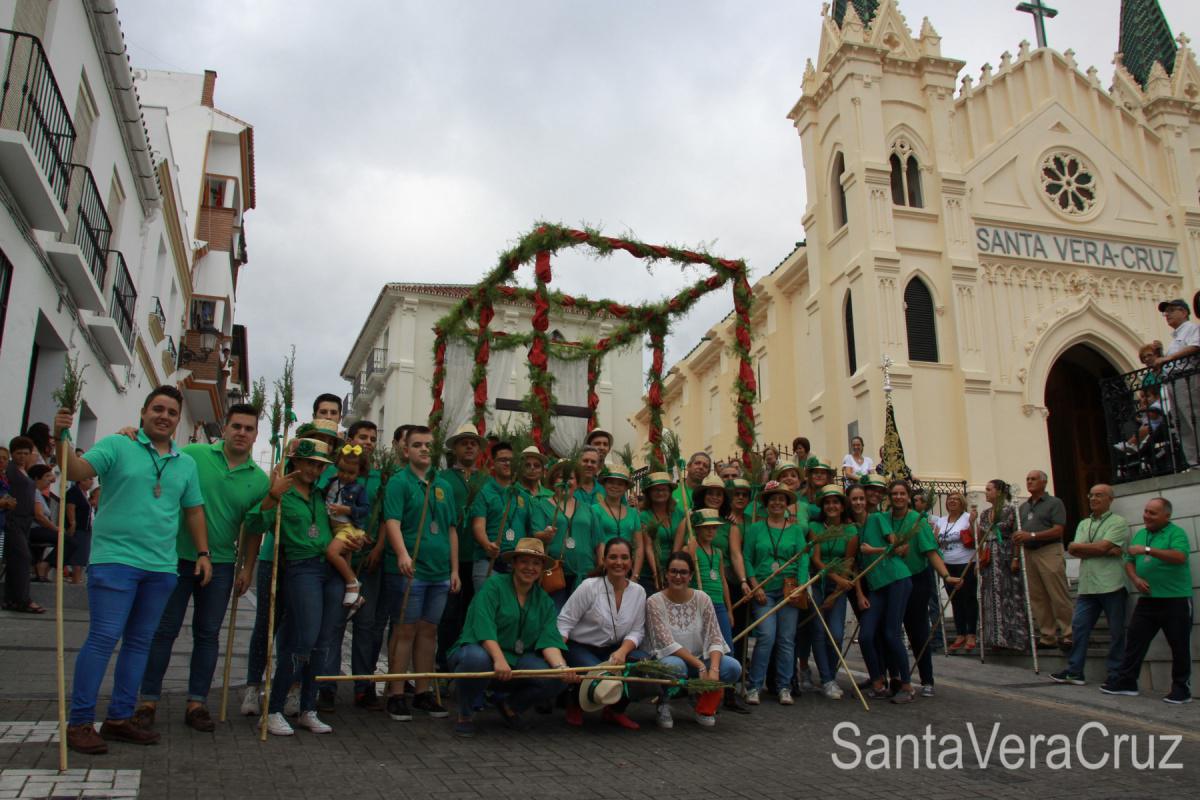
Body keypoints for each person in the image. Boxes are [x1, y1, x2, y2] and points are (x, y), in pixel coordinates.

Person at [53, 387, 211, 755]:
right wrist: (62, 434)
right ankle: (79, 722)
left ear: (177, 420)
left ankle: (120, 717)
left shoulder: (184, 462)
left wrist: (203, 552)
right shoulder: (116, 445)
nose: (164, 416)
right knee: (104, 638)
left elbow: (193, 510)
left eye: (172, 412)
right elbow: (77, 470)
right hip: (114, 561)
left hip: (160, 566)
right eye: (158, 408)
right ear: (143, 413)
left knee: (140, 643)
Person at [129, 404, 270, 732]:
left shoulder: (259, 480)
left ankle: (197, 703)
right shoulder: (192, 454)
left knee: (208, 635)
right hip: (175, 557)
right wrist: (132, 435)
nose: (241, 433)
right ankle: (147, 700)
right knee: (165, 630)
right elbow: (158, 455)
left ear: (255, 435)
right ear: (225, 428)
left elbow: (253, 530)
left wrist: (247, 568)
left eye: (249, 429)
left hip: (221, 563)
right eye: (236, 426)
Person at [246, 436, 343, 736]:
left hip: (330, 569)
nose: (315, 470)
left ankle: (307, 708)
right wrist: (272, 496)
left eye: (319, 465)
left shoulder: (319, 495)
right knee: (302, 640)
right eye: (310, 464)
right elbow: (253, 525)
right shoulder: (281, 491)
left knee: (322, 644)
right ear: (296, 462)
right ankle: (272, 709)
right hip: (301, 568)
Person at [449, 537, 580, 737]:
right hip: (482, 652)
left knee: (556, 679)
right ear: (514, 563)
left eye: (536, 563)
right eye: (524, 561)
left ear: (542, 569)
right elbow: (483, 626)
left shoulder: (543, 600)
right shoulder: (493, 586)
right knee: (475, 659)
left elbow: (550, 641)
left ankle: (510, 706)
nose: (530, 568)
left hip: (517, 660)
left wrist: (561, 669)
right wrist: (498, 659)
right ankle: (465, 714)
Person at [382, 425, 459, 722]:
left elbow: (451, 527)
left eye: (429, 444)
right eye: (418, 445)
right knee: (405, 631)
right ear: (406, 450)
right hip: (412, 570)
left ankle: (423, 691)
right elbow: (392, 521)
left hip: (440, 572)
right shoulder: (399, 483)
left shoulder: (443, 485)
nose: (424, 449)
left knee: (429, 631)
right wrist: (402, 553)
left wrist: (455, 569)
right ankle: (396, 692)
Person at [1103, 498, 1193, 704]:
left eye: (1152, 513)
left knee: (1179, 645)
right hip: (1148, 600)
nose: (1146, 516)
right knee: (1135, 640)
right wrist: (1135, 579)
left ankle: (1181, 689)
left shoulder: (1175, 533)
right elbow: (1128, 560)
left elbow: (1180, 557)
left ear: (1166, 516)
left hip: (1175, 599)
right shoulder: (1141, 534)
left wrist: (1147, 550)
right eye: (1145, 511)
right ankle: (1127, 682)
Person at [557, 537, 648, 729]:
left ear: (631, 562)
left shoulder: (639, 592)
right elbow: (564, 622)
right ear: (604, 561)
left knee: (643, 665)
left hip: (615, 649)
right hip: (581, 647)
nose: (619, 562)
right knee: (599, 675)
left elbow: (637, 631)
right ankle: (574, 701)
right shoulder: (589, 586)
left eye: (624, 557)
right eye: (613, 557)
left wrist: (622, 651)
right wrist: (559, 661)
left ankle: (615, 710)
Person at [644, 551, 742, 729]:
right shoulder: (654, 602)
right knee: (675, 666)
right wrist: (700, 666)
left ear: (691, 576)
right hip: (670, 660)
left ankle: (704, 707)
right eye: (673, 571)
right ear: (666, 574)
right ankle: (664, 703)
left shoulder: (703, 599)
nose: (678, 576)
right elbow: (667, 644)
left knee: (732, 667)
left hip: (700, 659)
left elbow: (715, 637)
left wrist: (713, 669)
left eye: (683, 572)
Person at [1051, 484, 1129, 687]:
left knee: (1116, 632)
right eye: (1091, 495)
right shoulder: (1084, 523)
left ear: (1110, 499)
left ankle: (1116, 673)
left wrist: (1089, 548)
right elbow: (1074, 548)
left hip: (1111, 583)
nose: (1093, 499)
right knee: (1079, 627)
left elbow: (1098, 547)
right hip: (1087, 585)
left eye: (1099, 495)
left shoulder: (1118, 522)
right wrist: (1100, 549)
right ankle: (1075, 670)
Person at [741, 482, 809, 705]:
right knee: (767, 636)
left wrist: (800, 586)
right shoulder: (755, 529)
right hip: (764, 591)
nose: (777, 503)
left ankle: (784, 686)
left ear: (787, 503)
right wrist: (754, 585)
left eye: (782, 499)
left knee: (786, 640)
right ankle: (754, 686)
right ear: (766, 504)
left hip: (789, 591)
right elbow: (747, 558)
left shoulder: (796, 530)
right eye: (773, 499)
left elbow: (803, 558)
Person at [892, 481, 959, 699]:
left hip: (916, 579)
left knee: (918, 630)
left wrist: (946, 576)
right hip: (893, 581)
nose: (899, 497)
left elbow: (931, 552)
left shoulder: (917, 522)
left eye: (902, 493)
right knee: (892, 632)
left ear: (908, 496)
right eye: (894, 494)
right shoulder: (885, 520)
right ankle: (896, 677)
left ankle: (927, 679)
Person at [857, 479, 917, 703]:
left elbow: (899, 547)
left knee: (891, 633)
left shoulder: (878, 518)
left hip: (896, 579)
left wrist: (874, 550)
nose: (858, 503)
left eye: (861, 499)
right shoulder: (855, 528)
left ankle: (907, 686)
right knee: (866, 635)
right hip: (877, 586)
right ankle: (878, 682)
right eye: (854, 500)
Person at [435, 423, 487, 672]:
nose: (469, 446)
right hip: (450, 558)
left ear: (478, 449)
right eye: (464, 442)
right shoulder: (442, 478)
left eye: (473, 442)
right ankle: (443, 666)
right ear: (455, 447)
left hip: (478, 557)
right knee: (449, 615)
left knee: (473, 613)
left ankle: (467, 666)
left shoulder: (485, 480)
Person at [809, 485, 859, 699]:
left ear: (842, 506)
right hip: (818, 583)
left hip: (839, 588)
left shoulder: (851, 531)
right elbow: (816, 559)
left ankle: (832, 671)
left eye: (835, 502)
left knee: (836, 634)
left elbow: (849, 562)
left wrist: (837, 590)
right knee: (819, 632)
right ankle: (827, 678)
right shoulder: (815, 527)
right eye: (828, 502)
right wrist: (836, 579)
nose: (831, 506)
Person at [1014, 470, 1073, 649]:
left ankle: (1068, 632)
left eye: (1033, 479)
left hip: (1048, 550)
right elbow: (1019, 532)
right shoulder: (1023, 507)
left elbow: (1058, 530)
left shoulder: (1054, 503)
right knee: (1037, 597)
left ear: (1044, 482)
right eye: (1027, 479)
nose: (1029, 482)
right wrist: (1016, 555)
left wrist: (1031, 535)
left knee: (1057, 593)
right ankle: (1047, 635)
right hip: (1029, 553)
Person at [531, 459, 600, 608]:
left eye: (570, 478)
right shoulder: (541, 505)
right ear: (553, 480)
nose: (566, 481)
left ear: (577, 482)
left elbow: (599, 541)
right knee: (555, 617)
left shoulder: (588, 509)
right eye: (561, 477)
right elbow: (535, 535)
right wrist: (545, 535)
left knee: (583, 622)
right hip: (554, 572)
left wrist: (601, 567)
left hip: (584, 574)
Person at [469, 441, 536, 591]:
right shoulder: (485, 492)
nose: (507, 463)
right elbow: (478, 525)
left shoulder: (523, 495)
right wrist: (487, 545)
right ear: (493, 464)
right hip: (489, 561)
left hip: (516, 565)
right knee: (486, 609)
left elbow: (529, 530)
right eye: (502, 460)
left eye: (511, 460)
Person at [977, 479, 1028, 652]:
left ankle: (1013, 638)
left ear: (998, 492)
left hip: (1005, 553)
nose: (986, 492)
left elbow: (1016, 534)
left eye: (989, 489)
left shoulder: (1011, 510)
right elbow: (981, 537)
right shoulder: (984, 514)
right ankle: (994, 638)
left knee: (1009, 595)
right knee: (990, 596)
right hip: (990, 558)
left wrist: (1015, 557)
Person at [1153, 298, 1200, 466]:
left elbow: (1195, 347)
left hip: (1187, 379)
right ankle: (1193, 462)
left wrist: (1169, 357)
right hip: (1173, 381)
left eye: (1172, 310)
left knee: (1193, 417)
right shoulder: (1176, 337)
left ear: (1184, 312)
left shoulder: (1192, 328)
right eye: (1166, 312)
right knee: (1181, 423)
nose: (1167, 315)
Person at [324, 446, 371, 607]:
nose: (345, 475)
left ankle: (353, 584)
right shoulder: (331, 482)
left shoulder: (358, 489)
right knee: (342, 563)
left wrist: (348, 509)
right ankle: (354, 598)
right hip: (333, 528)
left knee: (332, 553)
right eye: (342, 470)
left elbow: (365, 509)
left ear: (359, 472)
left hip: (348, 528)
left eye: (351, 473)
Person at [934, 491, 978, 653]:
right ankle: (960, 633)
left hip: (966, 563)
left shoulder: (967, 517)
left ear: (962, 502)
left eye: (955, 499)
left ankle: (971, 633)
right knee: (955, 599)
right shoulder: (942, 520)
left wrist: (973, 523)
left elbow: (977, 538)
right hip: (948, 564)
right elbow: (936, 540)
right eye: (949, 499)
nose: (952, 501)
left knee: (969, 597)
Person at [4, 437, 43, 613]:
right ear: (12, 454)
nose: (22, 456)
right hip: (13, 519)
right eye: (18, 453)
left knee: (17, 559)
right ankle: (22, 599)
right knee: (23, 557)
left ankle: (12, 599)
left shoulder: (24, 470)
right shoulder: (10, 470)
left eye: (26, 453)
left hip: (25, 521)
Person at [637, 471, 679, 593]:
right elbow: (648, 546)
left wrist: (673, 567)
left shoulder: (678, 513)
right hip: (650, 573)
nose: (660, 493)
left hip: (674, 573)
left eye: (664, 489)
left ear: (670, 492)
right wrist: (657, 575)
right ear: (649, 493)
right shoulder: (644, 516)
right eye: (656, 490)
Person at [27, 464, 59, 582]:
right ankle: (44, 565)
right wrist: (55, 528)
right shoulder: (34, 492)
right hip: (34, 529)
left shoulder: (39, 493)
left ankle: (41, 569)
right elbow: (39, 515)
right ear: (36, 478)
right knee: (68, 540)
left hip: (39, 529)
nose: (50, 479)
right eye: (46, 476)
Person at [64, 476, 95, 584]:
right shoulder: (74, 492)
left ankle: (77, 578)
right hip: (79, 528)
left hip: (85, 528)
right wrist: (72, 523)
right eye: (90, 479)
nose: (92, 482)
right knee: (79, 555)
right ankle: (76, 579)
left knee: (82, 555)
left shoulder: (84, 494)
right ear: (81, 480)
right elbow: (70, 507)